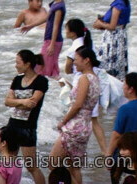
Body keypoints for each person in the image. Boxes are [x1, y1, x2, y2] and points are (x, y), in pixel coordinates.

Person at [48, 46, 100, 184]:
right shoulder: (95, 78)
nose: (74, 63)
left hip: (75, 126)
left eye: (76, 59)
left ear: (87, 60)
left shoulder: (84, 78)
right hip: (85, 126)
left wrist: (63, 121)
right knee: (74, 167)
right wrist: (67, 85)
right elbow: (84, 100)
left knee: (53, 162)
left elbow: (77, 105)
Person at [4, 50, 48, 184]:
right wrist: (23, 101)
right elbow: (7, 101)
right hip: (12, 126)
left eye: (18, 62)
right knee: (9, 164)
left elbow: (32, 104)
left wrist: (16, 102)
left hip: (27, 128)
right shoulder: (17, 80)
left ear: (28, 64)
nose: (16, 65)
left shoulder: (41, 81)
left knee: (31, 166)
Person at [108, 73, 137, 161]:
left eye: (124, 84)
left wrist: (109, 155)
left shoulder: (124, 109)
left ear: (131, 89)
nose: (122, 87)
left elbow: (116, 135)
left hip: (125, 156)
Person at [93, 0, 130, 81]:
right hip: (120, 36)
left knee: (110, 66)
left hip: (114, 38)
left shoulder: (118, 4)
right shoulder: (124, 1)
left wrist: (101, 24)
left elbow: (113, 26)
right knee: (118, 65)